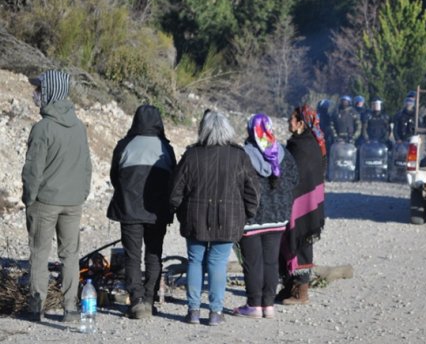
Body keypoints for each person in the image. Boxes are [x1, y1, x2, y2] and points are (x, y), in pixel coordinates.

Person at [169, 110, 260, 326]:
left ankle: (193, 311)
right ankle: (215, 313)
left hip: (195, 218)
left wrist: (182, 213)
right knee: (218, 263)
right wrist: (246, 214)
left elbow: (175, 193)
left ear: (204, 130)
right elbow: (253, 191)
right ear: (227, 130)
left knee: (195, 260)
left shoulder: (192, 155)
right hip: (228, 220)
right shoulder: (238, 156)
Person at [22, 70, 92, 322]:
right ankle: (70, 308)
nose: (36, 93)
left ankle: (36, 306)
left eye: (40, 89)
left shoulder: (43, 128)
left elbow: (33, 170)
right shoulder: (79, 128)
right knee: (70, 255)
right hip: (73, 202)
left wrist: (28, 198)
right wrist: (82, 193)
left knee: (40, 253)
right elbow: (87, 167)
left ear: (50, 92)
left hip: (45, 202)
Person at [107, 105, 176, 319]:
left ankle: (136, 302)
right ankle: (149, 299)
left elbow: (114, 176)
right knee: (154, 256)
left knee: (132, 256)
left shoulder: (125, 145)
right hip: (157, 212)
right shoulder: (165, 148)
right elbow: (174, 180)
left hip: (129, 209)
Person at [233, 114, 299, 319]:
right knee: (271, 261)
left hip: (251, 218)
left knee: (253, 262)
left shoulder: (243, 155)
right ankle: (268, 305)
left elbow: (236, 184)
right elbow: (294, 179)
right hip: (278, 217)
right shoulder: (283, 153)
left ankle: (254, 304)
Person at [278, 105, 326, 305]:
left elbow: (297, 175)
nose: (289, 122)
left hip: (304, 205)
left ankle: (301, 290)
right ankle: (289, 286)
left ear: (300, 123)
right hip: (300, 202)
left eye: (292, 119)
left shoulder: (303, 146)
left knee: (302, 243)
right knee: (288, 242)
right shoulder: (301, 143)